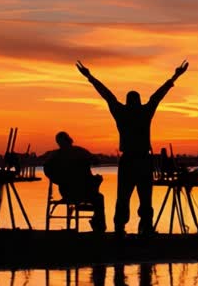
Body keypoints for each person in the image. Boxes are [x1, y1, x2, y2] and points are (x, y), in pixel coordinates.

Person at [76, 59, 190, 235]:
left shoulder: (121, 112)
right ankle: (140, 227)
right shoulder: (144, 111)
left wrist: (90, 77)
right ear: (138, 101)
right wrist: (175, 75)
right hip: (140, 159)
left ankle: (125, 227)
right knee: (142, 196)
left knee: (127, 196)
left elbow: (107, 95)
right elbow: (158, 95)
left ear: (128, 101)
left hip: (132, 160)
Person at [43, 130, 106, 232]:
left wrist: (58, 180)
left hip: (67, 192)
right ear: (69, 140)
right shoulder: (78, 152)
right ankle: (99, 226)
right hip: (81, 192)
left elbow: (47, 169)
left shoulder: (56, 155)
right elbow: (96, 161)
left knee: (97, 195)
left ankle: (97, 224)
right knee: (99, 198)